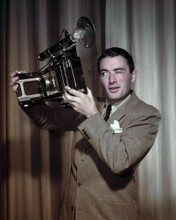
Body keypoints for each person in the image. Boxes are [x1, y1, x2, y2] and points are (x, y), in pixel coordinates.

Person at [10, 47, 161, 220]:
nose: (112, 80)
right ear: (100, 78)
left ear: (133, 75)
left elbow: (121, 160)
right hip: (71, 212)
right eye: (105, 73)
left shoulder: (146, 114)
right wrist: (24, 93)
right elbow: (47, 119)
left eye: (118, 71)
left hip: (108, 215)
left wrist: (91, 114)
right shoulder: (90, 103)